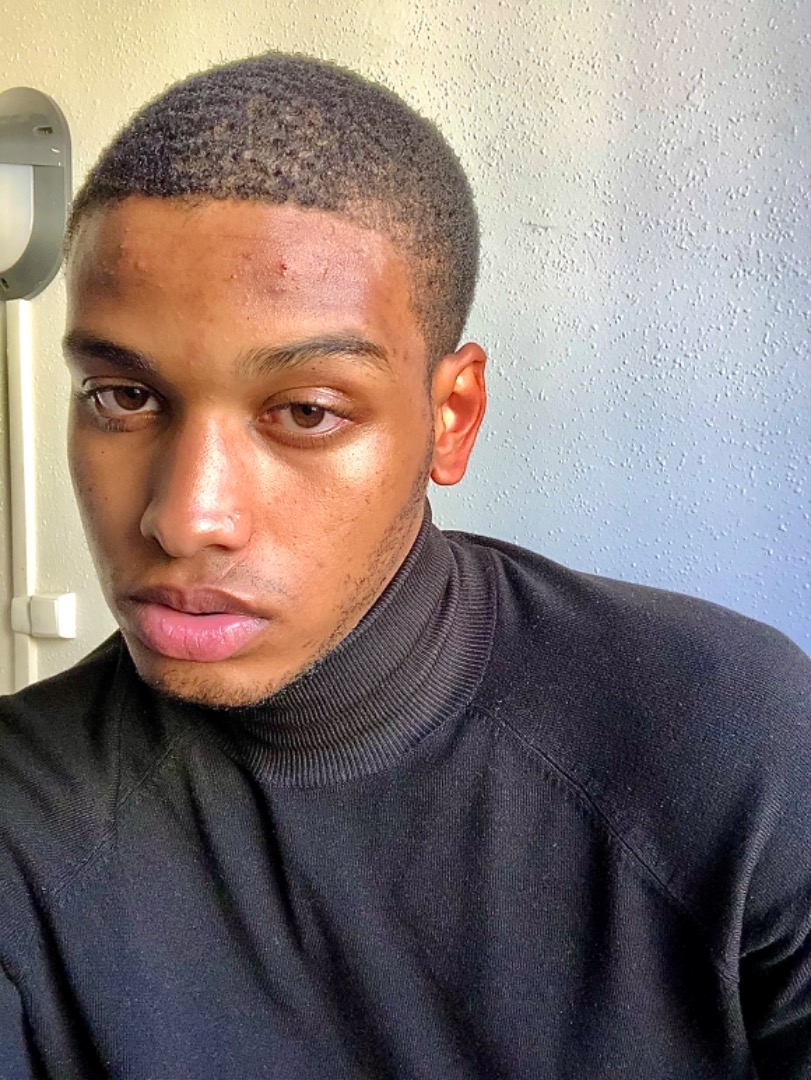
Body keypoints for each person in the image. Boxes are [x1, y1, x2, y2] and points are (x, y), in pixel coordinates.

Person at [0, 52, 808, 1080]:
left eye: (305, 411)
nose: (184, 517)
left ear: (450, 417)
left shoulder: (730, 739)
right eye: (122, 397)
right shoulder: (23, 817)